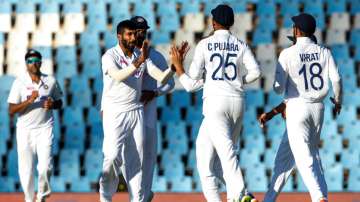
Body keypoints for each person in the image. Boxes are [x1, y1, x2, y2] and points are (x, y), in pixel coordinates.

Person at [170, 4, 261, 202]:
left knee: (226, 154)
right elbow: (256, 73)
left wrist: (178, 67)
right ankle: (234, 197)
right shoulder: (240, 44)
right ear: (231, 23)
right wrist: (236, 81)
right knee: (206, 159)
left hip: (215, 104)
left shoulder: (204, 44)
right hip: (237, 102)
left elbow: (191, 83)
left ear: (213, 22)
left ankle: (239, 196)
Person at [270, 13, 342, 202]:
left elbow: (277, 89)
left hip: (297, 107)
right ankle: (269, 199)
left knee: (304, 157)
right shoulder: (324, 51)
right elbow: (337, 79)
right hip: (318, 108)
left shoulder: (287, 53)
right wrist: (338, 100)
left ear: (297, 30)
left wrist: (284, 84)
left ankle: (319, 198)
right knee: (289, 158)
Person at [99, 20, 174, 202]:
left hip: (136, 111)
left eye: (135, 34)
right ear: (119, 36)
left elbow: (162, 77)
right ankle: (105, 197)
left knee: (137, 162)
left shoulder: (141, 56)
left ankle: (137, 199)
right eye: (129, 34)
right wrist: (138, 63)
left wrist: (174, 67)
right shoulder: (110, 56)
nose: (134, 38)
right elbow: (118, 76)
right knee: (112, 158)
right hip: (115, 112)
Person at [7, 49, 63, 202]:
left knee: (46, 167)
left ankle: (42, 197)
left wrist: (53, 104)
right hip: (25, 130)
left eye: (36, 60)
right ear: (26, 64)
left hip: (45, 128)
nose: (34, 63)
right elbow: (11, 110)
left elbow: (60, 102)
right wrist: (29, 101)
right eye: (30, 61)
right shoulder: (19, 82)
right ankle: (29, 198)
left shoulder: (50, 80)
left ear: (41, 62)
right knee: (26, 169)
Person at [130, 16, 175, 202]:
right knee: (130, 157)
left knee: (147, 158)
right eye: (137, 31)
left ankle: (142, 196)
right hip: (128, 114)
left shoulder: (155, 56)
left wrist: (154, 93)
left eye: (144, 31)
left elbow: (169, 83)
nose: (141, 34)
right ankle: (138, 194)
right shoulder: (123, 56)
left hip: (148, 115)